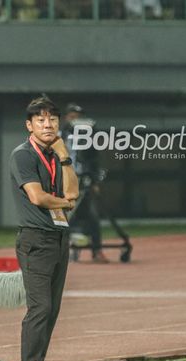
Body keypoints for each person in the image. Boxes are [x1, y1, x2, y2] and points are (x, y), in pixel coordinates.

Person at [9, 95, 79, 361]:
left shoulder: (54, 156)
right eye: (40, 119)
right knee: (40, 307)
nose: (47, 124)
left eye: (52, 118)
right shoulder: (24, 155)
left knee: (52, 310)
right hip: (36, 240)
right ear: (30, 125)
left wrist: (64, 158)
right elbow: (38, 197)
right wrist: (64, 202)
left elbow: (73, 192)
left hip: (58, 237)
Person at [62, 103, 110, 264]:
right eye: (72, 116)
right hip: (63, 181)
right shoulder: (58, 135)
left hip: (82, 180)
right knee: (64, 216)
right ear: (66, 117)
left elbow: (93, 158)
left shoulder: (87, 137)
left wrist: (94, 180)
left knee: (92, 215)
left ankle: (97, 251)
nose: (76, 119)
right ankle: (62, 251)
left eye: (78, 116)